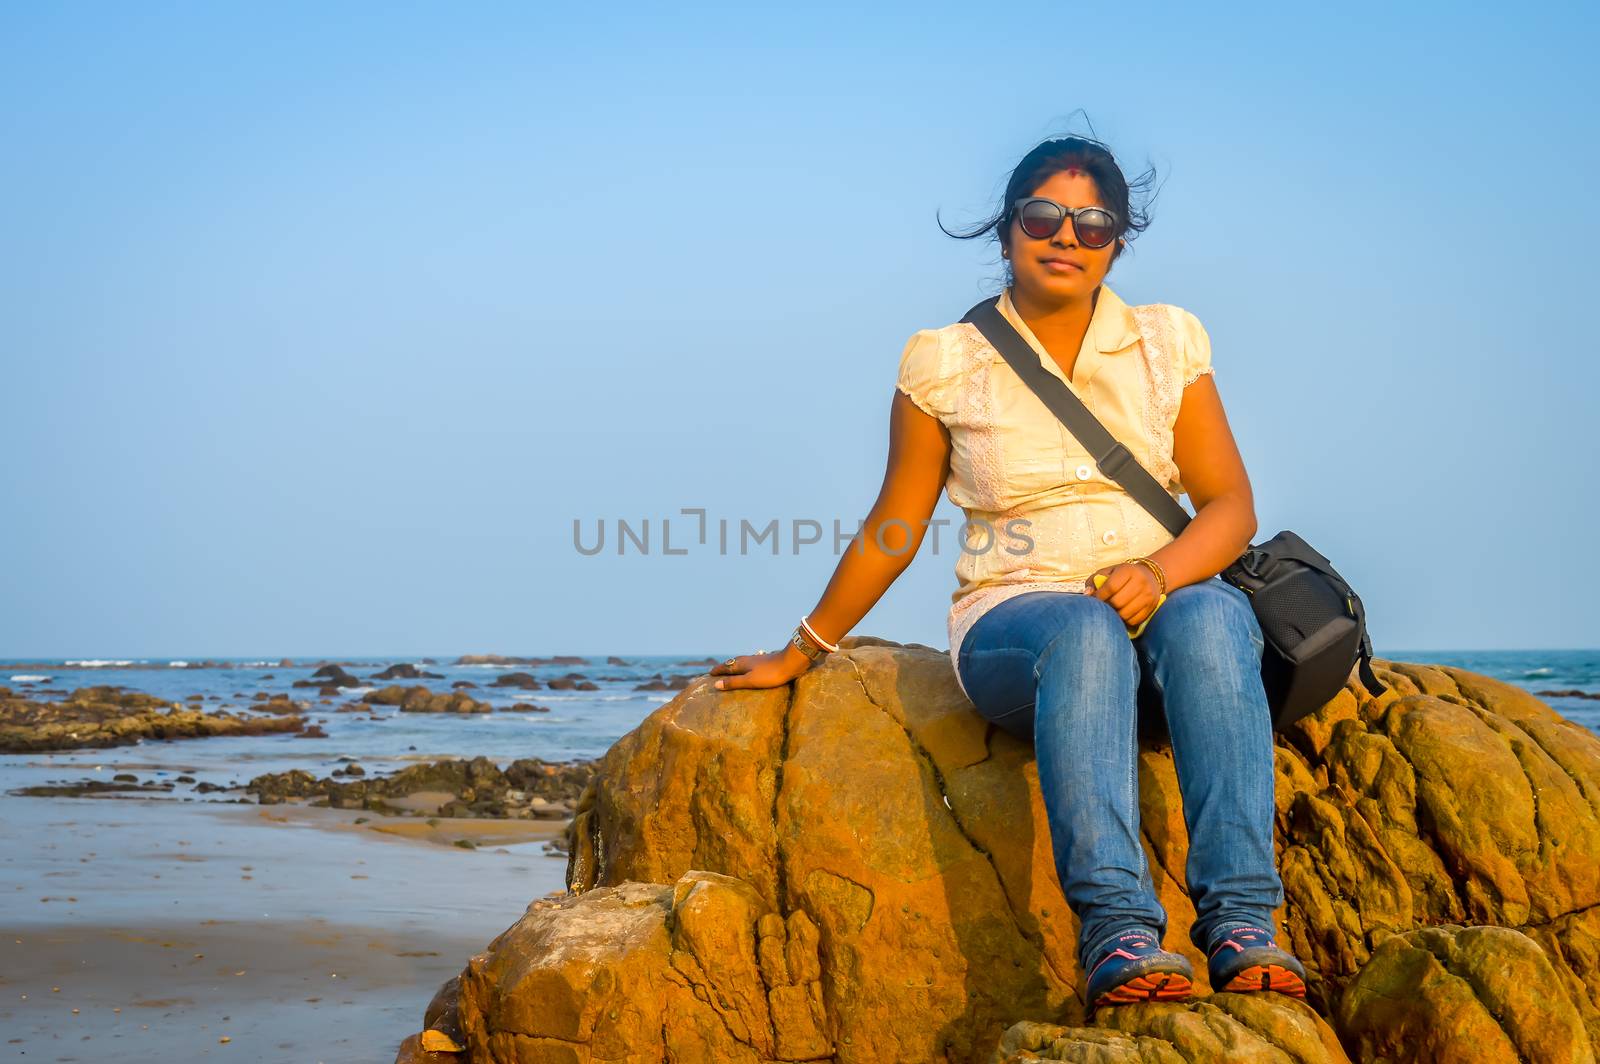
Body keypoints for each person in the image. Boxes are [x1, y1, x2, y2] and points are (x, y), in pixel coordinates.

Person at [707, 133, 1308, 1012]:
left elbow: (1230, 507)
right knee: (1084, 628)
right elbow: (895, 524)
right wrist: (802, 651)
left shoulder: (1166, 342)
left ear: (1118, 243)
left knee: (1215, 617)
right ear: (1008, 231)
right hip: (1018, 626)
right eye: (1043, 216)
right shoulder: (943, 361)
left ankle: (1244, 923)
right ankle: (1119, 933)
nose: (1066, 236)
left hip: (1162, 603)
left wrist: (1159, 572)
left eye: (1092, 222)